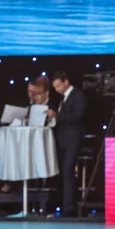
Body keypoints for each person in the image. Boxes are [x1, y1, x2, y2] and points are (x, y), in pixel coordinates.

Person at [47, 71, 86, 218]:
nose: (57, 89)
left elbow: (77, 116)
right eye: (55, 87)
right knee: (64, 172)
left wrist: (58, 116)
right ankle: (65, 204)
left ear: (65, 82)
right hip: (62, 138)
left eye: (58, 86)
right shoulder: (63, 98)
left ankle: (69, 207)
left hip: (73, 139)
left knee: (68, 171)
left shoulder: (77, 95)